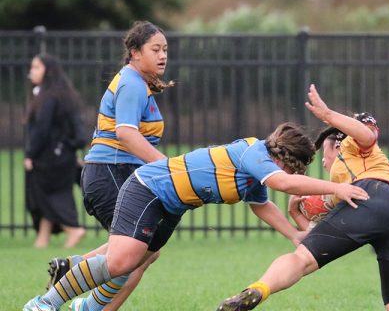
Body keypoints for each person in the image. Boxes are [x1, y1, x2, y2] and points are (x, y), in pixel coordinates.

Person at [23, 122, 369, 311]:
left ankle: (84, 305)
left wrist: (293, 236)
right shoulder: (255, 154)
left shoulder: (254, 172)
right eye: (294, 168)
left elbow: (262, 203)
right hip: (150, 188)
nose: (292, 175)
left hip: (171, 206)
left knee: (137, 261)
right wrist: (335, 188)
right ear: (284, 159)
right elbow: (282, 183)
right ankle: (43, 304)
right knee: (121, 260)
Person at [216, 84, 389, 311]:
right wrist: (295, 214)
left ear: (336, 144)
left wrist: (328, 115)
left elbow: (367, 134)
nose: (323, 161)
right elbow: (321, 235)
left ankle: (260, 289)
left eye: (324, 152)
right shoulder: (344, 190)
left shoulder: (351, 145)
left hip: (374, 194)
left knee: (300, 260)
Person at [43, 21, 173, 311]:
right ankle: (74, 295)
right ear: (135, 52)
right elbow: (126, 134)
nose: (163, 55)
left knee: (143, 252)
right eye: (155, 49)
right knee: (133, 255)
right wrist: (168, 166)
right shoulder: (131, 83)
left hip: (115, 173)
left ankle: (75, 272)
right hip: (110, 173)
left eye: (165, 49)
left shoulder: (137, 83)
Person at [24, 53, 87, 249]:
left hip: (49, 158)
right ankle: (42, 239)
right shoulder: (63, 95)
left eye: (36, 67)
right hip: (63, 156)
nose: (31, 72)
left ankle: (73, 229)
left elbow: (42, 130)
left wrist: (30, 154)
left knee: (48, 195)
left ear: (48, 71)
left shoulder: (48, 97)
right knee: (49, 195)